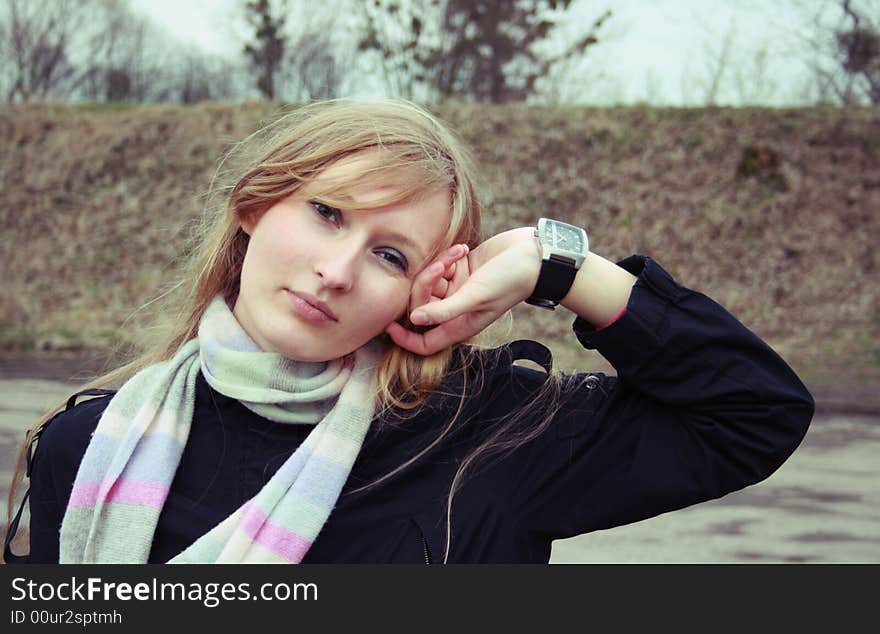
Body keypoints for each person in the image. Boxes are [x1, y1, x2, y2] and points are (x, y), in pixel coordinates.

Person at [4, 99, 814, 564]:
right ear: (253, 207)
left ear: (425, 289)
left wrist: (555, 265)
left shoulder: (492, 437)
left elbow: (754, 414)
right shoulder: (84, 447)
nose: (336, 270)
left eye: (389, 254)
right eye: (326, 213)